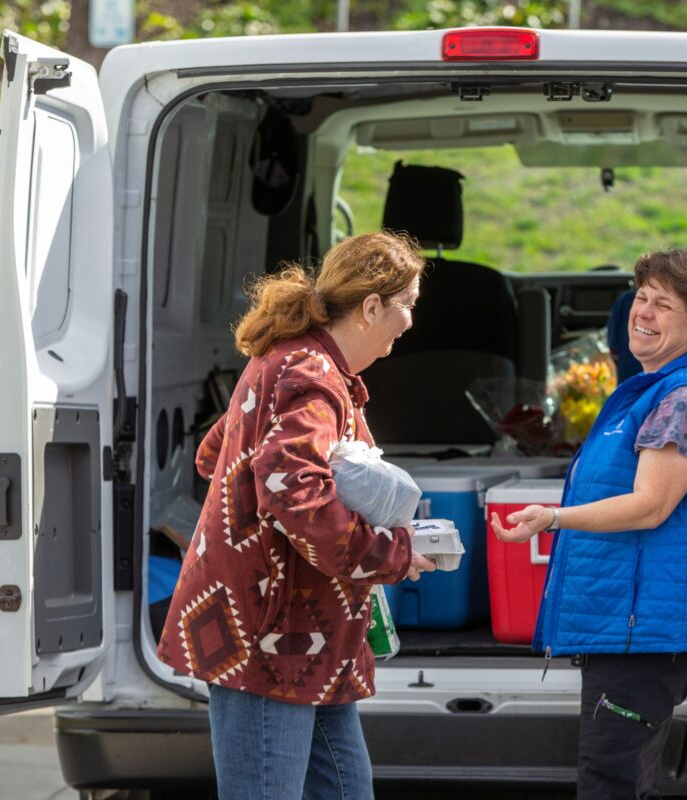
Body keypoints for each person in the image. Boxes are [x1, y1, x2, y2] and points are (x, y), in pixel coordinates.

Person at [157, 231, 436, 800]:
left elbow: (216, 454)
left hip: (307, 637)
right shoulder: (312, 378)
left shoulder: (287, 358)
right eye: (406, 305)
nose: (409, 323)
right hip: (274, 636)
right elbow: (294, 496)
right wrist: (392, 553)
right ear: (372, 307)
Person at [491, 248, 687, 800]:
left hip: (645, 632)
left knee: (612, 784)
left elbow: (650, 504)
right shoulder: (655, 390)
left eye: (664, 305)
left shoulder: (686, 397)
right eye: (642, 299)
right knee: (620, 781)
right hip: (633, 626)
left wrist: (554, 518)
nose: (643, 313)